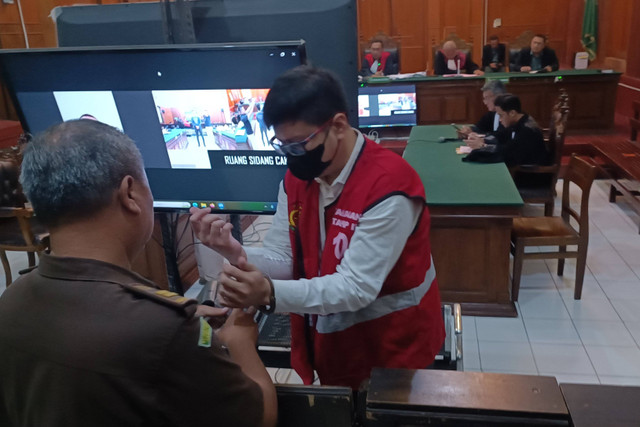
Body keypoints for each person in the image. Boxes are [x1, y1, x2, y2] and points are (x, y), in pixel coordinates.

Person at [0, 120, 277, 427]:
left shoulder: (11, 301)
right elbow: (259, 417)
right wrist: (239, 339)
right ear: (129, 193)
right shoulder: (165, 330)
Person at [189, 66, 445, 390]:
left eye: (298, 145)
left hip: (394, 346)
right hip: (333, 340)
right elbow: (285, 257)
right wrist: (234, 251)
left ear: (338, 125)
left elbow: (356, 287)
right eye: (281, 146)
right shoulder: (299, 179)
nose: (291, 158)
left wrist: (268, 293)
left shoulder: (389, 187)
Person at [465, 93, 549, 168]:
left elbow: (508, 153)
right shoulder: (518, 121)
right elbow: (501, 136)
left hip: (529, 176)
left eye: (501, 116)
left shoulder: (527, 130)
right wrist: (483, 140)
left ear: (512, 113)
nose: (500, 120)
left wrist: (483, 146)